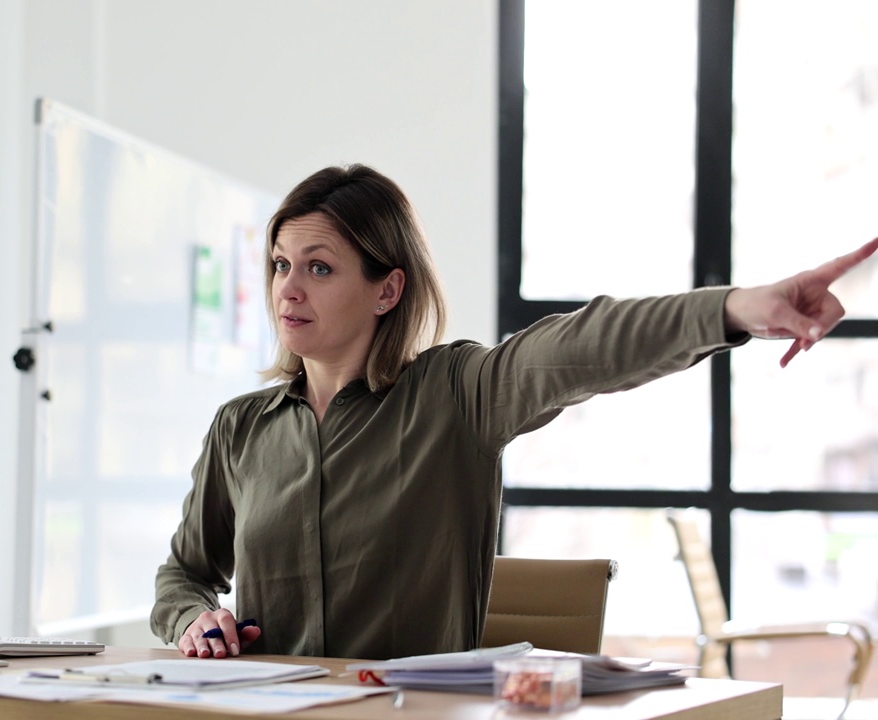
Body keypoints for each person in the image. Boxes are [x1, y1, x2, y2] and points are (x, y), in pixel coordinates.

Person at [151, 163, 878, 662]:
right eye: (280, 264)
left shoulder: (457, 394)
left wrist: (737, 309)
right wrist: (195, 621)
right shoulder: (241, 429)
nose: (289, 289)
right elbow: (182, 576)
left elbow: (585, 343)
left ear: (387, 289)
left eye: (318, 266)